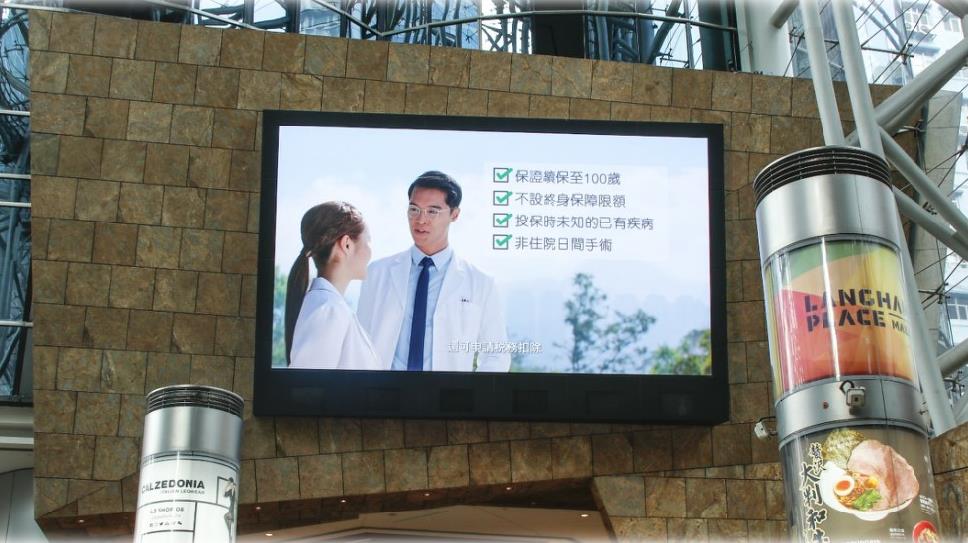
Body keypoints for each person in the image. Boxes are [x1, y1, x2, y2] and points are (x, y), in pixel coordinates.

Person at [357, 171, 511, 372]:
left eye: (432, 211)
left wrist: (467, 391)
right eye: (414, 209)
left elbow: (496, 355)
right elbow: (359, 343)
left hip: (449, 391)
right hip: (384, 389)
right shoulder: (377, 273)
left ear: (454, 214)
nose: (420, 220)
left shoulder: (481, 282)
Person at [285, 201, 383, 370]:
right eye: (367, 241)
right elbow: (307, 385)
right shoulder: (329, 310)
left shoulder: (328, 306)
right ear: (346, 244)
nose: (370, 251)